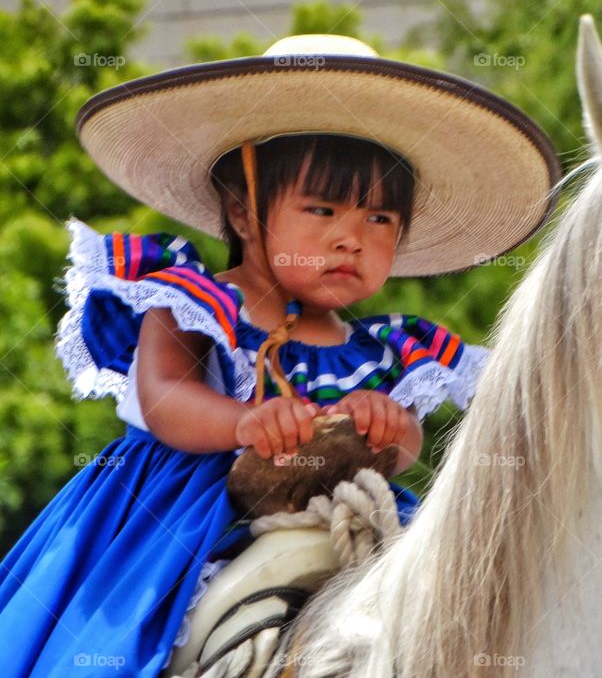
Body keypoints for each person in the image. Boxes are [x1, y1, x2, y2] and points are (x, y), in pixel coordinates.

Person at [0, 34, 559, 676]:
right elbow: (163, 399)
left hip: (339, 515)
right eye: (321, 209)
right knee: (111, 653)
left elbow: (405, 449)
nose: (350, 238)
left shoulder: (381, 348)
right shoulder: (190, 299)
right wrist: (241, 424)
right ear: (243, 213)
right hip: (181, 518)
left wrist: (391, 428)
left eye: (379, 220)